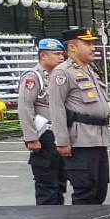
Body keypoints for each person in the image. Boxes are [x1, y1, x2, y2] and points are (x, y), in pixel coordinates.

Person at [50, 28, 110, 205]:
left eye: (93, 43)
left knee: (100, 189)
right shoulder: (63, 72)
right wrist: (62, 141)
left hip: (99, 138)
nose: (93, 48)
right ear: (72, 48)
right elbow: (56, 108)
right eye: (87, 43)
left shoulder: (91, 71)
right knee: (85, 190)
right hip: (80, 140)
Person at [18, 38, 68, 205]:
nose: (61, 57)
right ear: (43, 55)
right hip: (44, 135)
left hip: (59, 135)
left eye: (62, 54)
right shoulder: (33, 77)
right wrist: (31, 138)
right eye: (56, 54)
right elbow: (25, 107)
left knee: (60, 184)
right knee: (47, 186)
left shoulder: (58, 76)